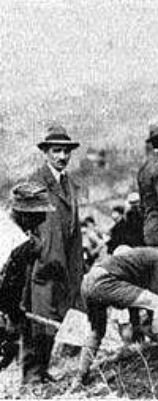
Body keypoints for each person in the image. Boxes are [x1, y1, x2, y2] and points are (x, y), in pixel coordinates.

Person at [76, 240, 158, 385]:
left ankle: (81, 376)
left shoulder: (149, 258)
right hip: (104, 281)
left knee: (97, 331)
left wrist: (144, 326)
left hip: (89, 281)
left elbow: (136, 298)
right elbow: (155, 299)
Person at [26, 125, 84, 384]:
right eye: (56, 151)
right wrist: (38, 247)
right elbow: (18, 222)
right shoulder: (35, 183)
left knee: (53, 320)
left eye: (65, 151)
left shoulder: (69, 184)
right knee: (38, 320)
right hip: (43, 265)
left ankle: (42, 369)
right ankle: (31, 375)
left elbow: (73, 227)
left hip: (65, 264)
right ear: (46, 153)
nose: (62, 156)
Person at [0, 183, 55, 377]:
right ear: (24, 214)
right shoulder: (21, 244)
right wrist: (14, 315)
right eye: (39, 215)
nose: (43, 219)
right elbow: (8, 287)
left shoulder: (4, 220)